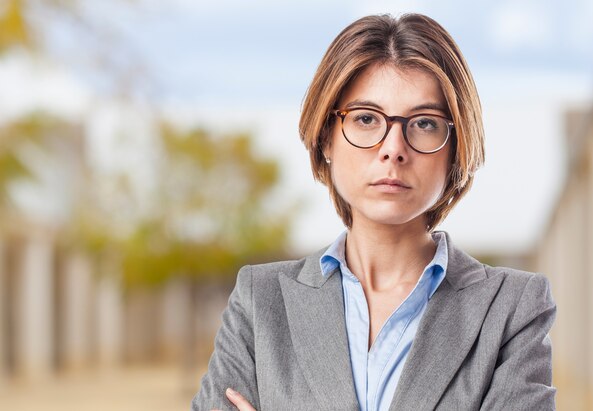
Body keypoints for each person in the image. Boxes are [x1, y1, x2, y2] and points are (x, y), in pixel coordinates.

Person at [191, 13, 556, 411]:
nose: (393, 148)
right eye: (366, 118)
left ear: (455, 149)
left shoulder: (512, 308)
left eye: (424, 123)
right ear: (326, 138)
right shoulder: (260, 302)